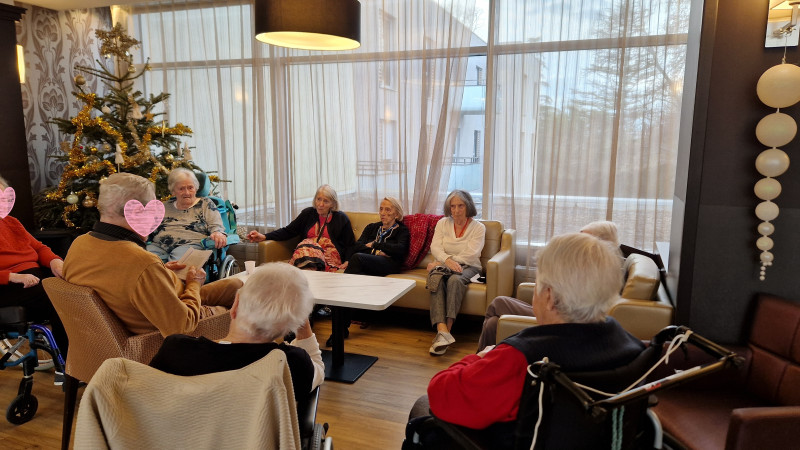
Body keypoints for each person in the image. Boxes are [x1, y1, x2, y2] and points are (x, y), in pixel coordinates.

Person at [407, 233, 645, 447]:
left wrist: (479, 357)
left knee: (422, 405)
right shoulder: (631, 345)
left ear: (549, 297)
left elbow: (440, 394)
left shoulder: (520, 358)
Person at [63, 173, 241, 337]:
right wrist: (194, 284)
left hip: (161, 300)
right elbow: (181, 326)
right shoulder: (141, 261)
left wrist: (161, 271)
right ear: (136, 212)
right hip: (177, 323)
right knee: (244, 304)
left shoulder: (79, 244)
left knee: (236, 285)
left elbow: (122, 278)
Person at [149, 262, 324, 405]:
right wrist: (302, 324)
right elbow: (317, 365)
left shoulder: (176, 349)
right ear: (293, 325)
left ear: (236, 304)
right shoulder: (290, 364)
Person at [476, 220, 622, 350]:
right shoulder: (605, 270)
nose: (576, 241)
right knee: (493, 323)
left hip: (560, 316)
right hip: (564, 318)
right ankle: (482, 358)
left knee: (498, 303)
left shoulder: (590, 272)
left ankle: (481, 358)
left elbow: (563, 309)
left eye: (583, 237)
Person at [327, 197, 410, 346]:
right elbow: (356, 247)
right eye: (381, 209)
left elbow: (399, 250)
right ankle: (341, 328)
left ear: (396, 214)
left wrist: (375, 244)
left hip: (389, 264)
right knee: (356, 279)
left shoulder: (402, 230)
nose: (383, 213)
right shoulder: (372, 227)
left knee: (358, 259)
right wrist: (378, 251)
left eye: (388, 210)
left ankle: (340, 327)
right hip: (371, 263)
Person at [0, 175, 68, 355]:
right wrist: (13, 277)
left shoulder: (11, 222)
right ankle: (69, 363)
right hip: (7, 286)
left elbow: (38, 247)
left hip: (33, 278)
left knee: (76, 287)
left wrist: (55, 261)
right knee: (60, 298)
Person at [426, 190, 485, 356]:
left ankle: (447, 331)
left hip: (470, 266)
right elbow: (435, 247)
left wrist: (445, 262)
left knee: (454, 281)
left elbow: (471, 254)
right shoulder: (442, 223)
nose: (456, 210)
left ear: (468, 207)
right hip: (446, 265)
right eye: (453, 206)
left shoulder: (478, 227)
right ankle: (442, 330)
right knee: (436, 277)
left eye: (460, 206)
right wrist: (447, 261)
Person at [247, 184, 356, 272]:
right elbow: (288, 231)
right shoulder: (308, 214)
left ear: (333, 204)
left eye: (325, 201)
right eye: (318, 199)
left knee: (306, 255)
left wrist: (347, 261)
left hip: (328, 256)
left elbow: (350, 244)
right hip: (306, 253)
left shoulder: (341, 218)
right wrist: (264, 236)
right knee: (306, 249)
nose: (320, 204)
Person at [146, 168, 227, 262]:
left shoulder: (205, 204)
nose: (187, 193)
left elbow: (216, 224)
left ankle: (171, 276)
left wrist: (217, 233)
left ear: (196, 188)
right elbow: (151, 228)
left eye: (190, 188)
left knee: (178, 264)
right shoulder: (165, 206)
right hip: (159, 245)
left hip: (190, 245)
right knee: (144, 259)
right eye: (181, 189)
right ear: (173, 191)